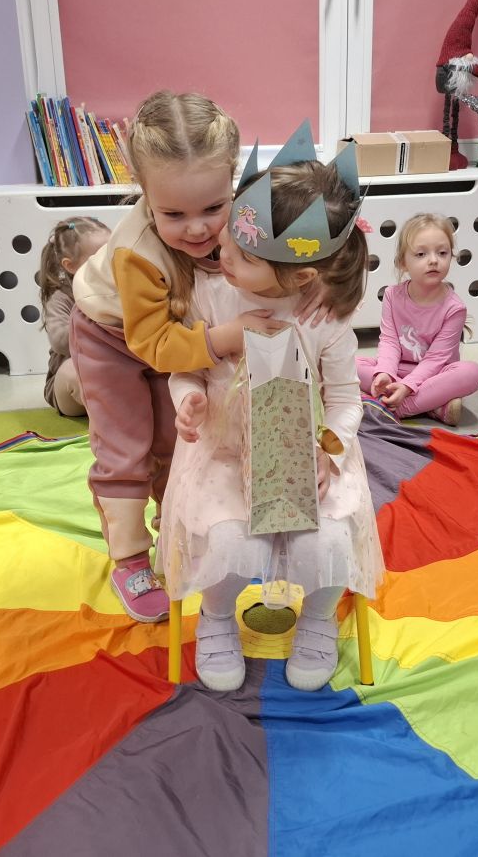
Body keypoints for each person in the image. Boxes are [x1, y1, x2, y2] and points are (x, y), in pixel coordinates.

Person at [160, 131, 383, 693]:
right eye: (229, 241)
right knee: (235, 541)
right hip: (223, 451)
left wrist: (329, 454)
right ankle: (217, 617)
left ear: (301, 275)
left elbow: (345, 401)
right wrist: (187, 399)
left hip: (306, 457)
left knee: (324, 543)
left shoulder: (324, 316)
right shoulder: (213, 292)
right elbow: (186, 366)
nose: (222, 256)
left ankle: (317, 618)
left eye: (243, 255)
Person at [69, 91, 284, 623]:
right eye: (173, 214)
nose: (197, 229)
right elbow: (154, 345)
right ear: (145, 194)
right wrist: (226, 337)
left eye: (213, 208)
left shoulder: (241, 212)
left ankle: (178, 527)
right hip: (111, 338)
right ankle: (129, 560)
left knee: (180, 436)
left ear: (232, 181)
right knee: (126, 448)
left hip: (181, 334)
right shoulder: (138, 253)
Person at [357, 212, 478, 426]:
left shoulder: (455, 308)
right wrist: (385, 373)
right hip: (399, 369)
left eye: (442, 253)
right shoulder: (391, 295)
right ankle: (434, 406)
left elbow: (436, 359)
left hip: (435, 374)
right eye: (421, 254)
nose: (433, 260)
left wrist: (407, 387)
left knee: (472, 372)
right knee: (349, 363)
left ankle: (393, 407)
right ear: (403, 263)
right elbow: (389, 342)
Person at [39, 216, 109, 416]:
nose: (110, 263)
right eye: (98, 259)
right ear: (70, 266)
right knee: (75, 370)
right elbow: (60, 341)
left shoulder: (117, 289)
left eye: (112, 253)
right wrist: (95, 326)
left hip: (111, 374)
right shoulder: (61, 297)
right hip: (70, 388)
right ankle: (106, 420)